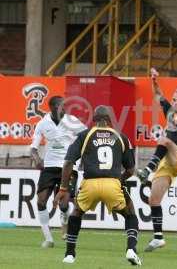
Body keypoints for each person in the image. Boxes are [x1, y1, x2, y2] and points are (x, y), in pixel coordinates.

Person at [53, 106, 141, 265]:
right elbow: (130, 169)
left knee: (76, 214)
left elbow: (68, 163)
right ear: (109, 120)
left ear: (93, 120)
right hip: (112, 184)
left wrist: (64, 188)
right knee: (130, 213)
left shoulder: (84, 136)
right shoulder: (121, 137)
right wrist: (120, 180)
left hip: (90, 184)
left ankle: (69, 254)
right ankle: (131, 249)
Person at [136, 68, 177, 252]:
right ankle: (158, 237)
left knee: (164, 140)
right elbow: (158, 94)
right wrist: (154, 80)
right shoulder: (169, 110)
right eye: (174, 99)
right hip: (167, 162)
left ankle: (147, 170)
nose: (175, 102)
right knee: (154, 200)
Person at [30, 96, 86, 248]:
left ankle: (64, 215)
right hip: (48, 166)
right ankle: (48, 239)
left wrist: (79, 155)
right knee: (41, 201)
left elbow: (87, 135)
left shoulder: (72, 120)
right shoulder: (42, 124)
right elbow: (33, 148)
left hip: (68, 165)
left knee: (63, 204)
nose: (65, 108)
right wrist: (36, 159)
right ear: (54, 108)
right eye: (62, 106)